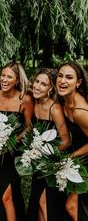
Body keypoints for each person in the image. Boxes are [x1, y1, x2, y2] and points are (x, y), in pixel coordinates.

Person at [0, 61, 34, 221]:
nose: (4, 79)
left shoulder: (25, 99)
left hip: (14, 154)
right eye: (2, 75)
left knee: (7, 195)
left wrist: (14, 140)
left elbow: (29, 127)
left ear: (17, 80)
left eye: (9, 77)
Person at [26, 68, 70, 221]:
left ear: (51, 88)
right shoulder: (34, 104)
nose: (37, 86)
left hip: (52, 163)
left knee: (46, 202)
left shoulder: (55, 109)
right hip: (38, 164)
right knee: (37, 201)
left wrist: (47, 157)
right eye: (37, 82)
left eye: (43, 84)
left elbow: (66, 140)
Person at [56, 61, 88, 221]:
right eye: (60, 76)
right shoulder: (64, 101)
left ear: (78, 82)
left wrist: (72, 156)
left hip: (84, 158)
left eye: (69, 77)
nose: (62, 81)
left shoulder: (80, 112)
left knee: (72, 206)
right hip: (79, 158)